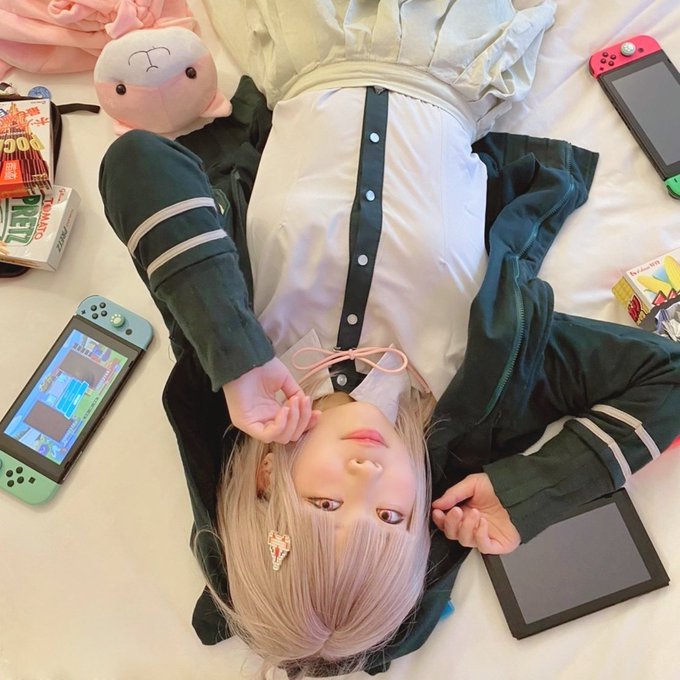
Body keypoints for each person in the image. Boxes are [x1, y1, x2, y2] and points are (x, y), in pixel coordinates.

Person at [98, 1, 680, 678]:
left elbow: (137, 162)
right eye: (391, 518)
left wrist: (236, 357)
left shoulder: (233, 340)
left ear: (266, 477)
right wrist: (530, 492)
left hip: (314, 37)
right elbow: (668, 378)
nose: (368, 477)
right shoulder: (483, 380)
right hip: (455, 50)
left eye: (326, 505)